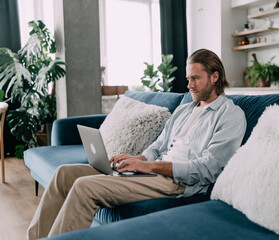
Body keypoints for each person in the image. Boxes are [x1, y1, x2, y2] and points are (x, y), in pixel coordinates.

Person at [26, 49, 247, 239]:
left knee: (86, 187)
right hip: (155, 172)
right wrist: (138, 159)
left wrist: (150, 167)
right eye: (187, 78)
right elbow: (158, 146)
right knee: (63, 174)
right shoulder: (185, 110)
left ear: (215, 77)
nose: (188, 85)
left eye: (195, 78)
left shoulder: (230, 115)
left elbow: (207, 169)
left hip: (177, 182)